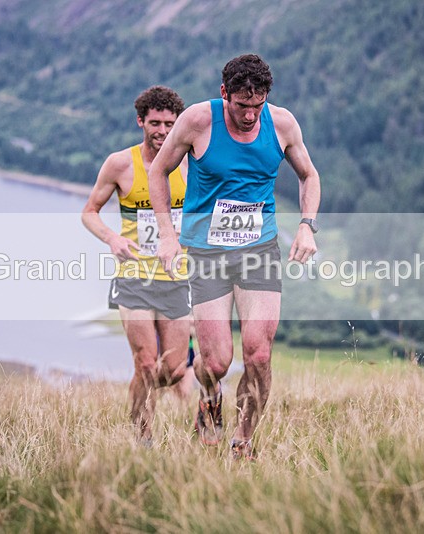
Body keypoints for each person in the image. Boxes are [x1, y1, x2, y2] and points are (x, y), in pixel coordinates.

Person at [148, 54, 321, 459]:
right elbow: (158, 171)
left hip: (258, 250)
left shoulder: (281, 124)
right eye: (241, 106)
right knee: (218, 361)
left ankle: (242, 440)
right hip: (206, 253)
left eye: (256, 106)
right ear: (224, 93)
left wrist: (307, 225)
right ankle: (209, 395)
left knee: (259, 353)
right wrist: (168, 235)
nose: (249, 115)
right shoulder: (197, 121)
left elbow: (309, 175)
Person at [81, 85, 192, 445]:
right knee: (145, 363)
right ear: (140, 121)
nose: (162, 131)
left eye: (170, 124)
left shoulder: (190, 161)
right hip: (134, 277)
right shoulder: (120, 164)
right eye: (155, 123)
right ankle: (142, 438)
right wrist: (112, 238)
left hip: (177, 277)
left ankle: (137, 406)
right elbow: (89, 212)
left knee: (174, 370)